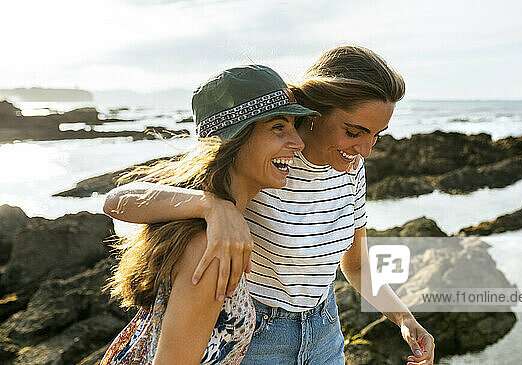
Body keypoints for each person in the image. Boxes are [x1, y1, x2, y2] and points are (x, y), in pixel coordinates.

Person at [104, 46, 435, 365]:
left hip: (325, 331)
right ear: (317, 113)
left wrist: (405, 319)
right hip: (255, 335)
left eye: (376, 136)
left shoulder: (350, 171)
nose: (365, 150)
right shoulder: (267, 163)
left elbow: (358, 266)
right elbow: (120, 200)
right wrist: (213, 207)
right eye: (354, 132)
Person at [100, 65, 318, 365]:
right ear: (234, 139)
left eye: (295, 126)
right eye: (278, 127)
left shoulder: (202, 212)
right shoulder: (210, 248)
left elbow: (120, 200)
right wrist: (211, 206)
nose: (298, 142)